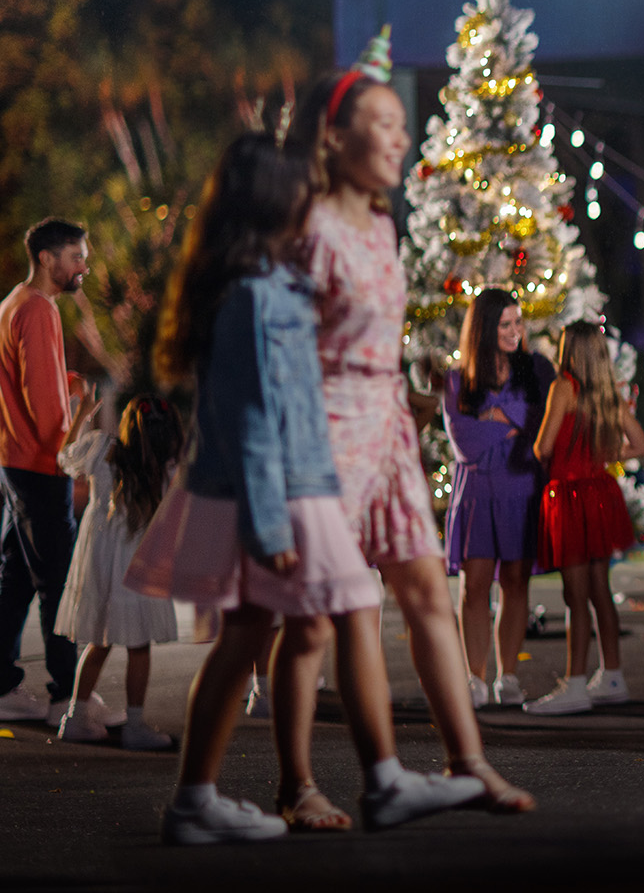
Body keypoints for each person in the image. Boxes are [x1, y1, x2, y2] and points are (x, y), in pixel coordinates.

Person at [126, 132, 481, 844]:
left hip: (294, 482)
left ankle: (196, 799)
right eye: (299, 188)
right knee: (348, 601)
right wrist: (270, 523)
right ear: (271, 199)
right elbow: (256, 419)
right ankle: (382, 781)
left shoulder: (264, 285)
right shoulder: (259, 296)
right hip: (287, 489)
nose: (311, 200)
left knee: (261, 631)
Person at [284, 57, 534, 812]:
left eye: (403, 124)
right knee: (312, 625)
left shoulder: (385, 224)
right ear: (333, 139)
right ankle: (298, 784)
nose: (400, 140)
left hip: (387, 430)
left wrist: (412, 404)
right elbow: (286, 347)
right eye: (382, 125)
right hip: (324, 437)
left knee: (426, 587)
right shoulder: (306, 229)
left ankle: (468, 762)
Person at [524, 321, 644, 715]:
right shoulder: (609, 392)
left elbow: (542, 447)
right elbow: (640, 445)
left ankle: (574, 683)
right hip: (601, 495)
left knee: (575, 596)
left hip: (569, 496)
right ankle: (613, 676)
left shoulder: (563, 387)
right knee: (599, 591)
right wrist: (606, 455)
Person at [444, 288, 553, 709]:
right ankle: (474, 678)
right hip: (477, 495)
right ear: (485, 330)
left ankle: (507, 676)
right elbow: (466, 443)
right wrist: (512, 424)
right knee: (474, 587)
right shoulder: (457, 379)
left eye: (517, 323)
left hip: (522, 489)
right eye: (505, 325)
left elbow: (540, 423)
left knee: (515, 582)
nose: (514, 332)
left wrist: (496, 417)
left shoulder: (535, 370)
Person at [53, 393, 182, 749]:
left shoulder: (100, 448)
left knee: (99, 640)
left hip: (98, 560)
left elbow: (64, 458)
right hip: (136, 562)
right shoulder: (166, 466)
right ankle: (136, 726)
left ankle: (74, 718)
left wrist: (82, 412)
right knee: (138, 645)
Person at [0, 218, 90, 723]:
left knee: (14, 578)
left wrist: (62, 379)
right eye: (76, 256)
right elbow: (48, 413)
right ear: (46, 259)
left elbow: (25, 380)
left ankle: (4, 686)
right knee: (61, 582)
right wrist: (77, 425)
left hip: (14, 462)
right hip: (42, 465)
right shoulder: (38, 311)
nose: (84, 266)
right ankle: (68, 698)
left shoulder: (13, 302)